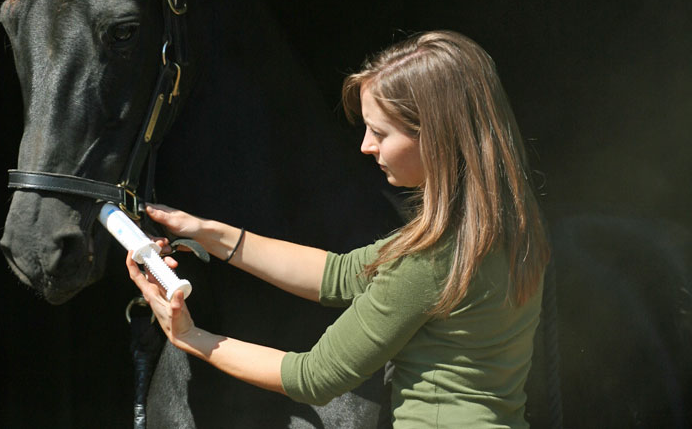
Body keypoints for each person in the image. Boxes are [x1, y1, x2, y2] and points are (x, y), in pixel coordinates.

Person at [126, 30, 551, 427]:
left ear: (436, 137)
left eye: (380, 132)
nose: (366, 145)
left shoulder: (430, 259)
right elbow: (340, 273)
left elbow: (314, 376)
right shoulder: (511, 225)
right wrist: (206, 233)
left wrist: (189, 336)